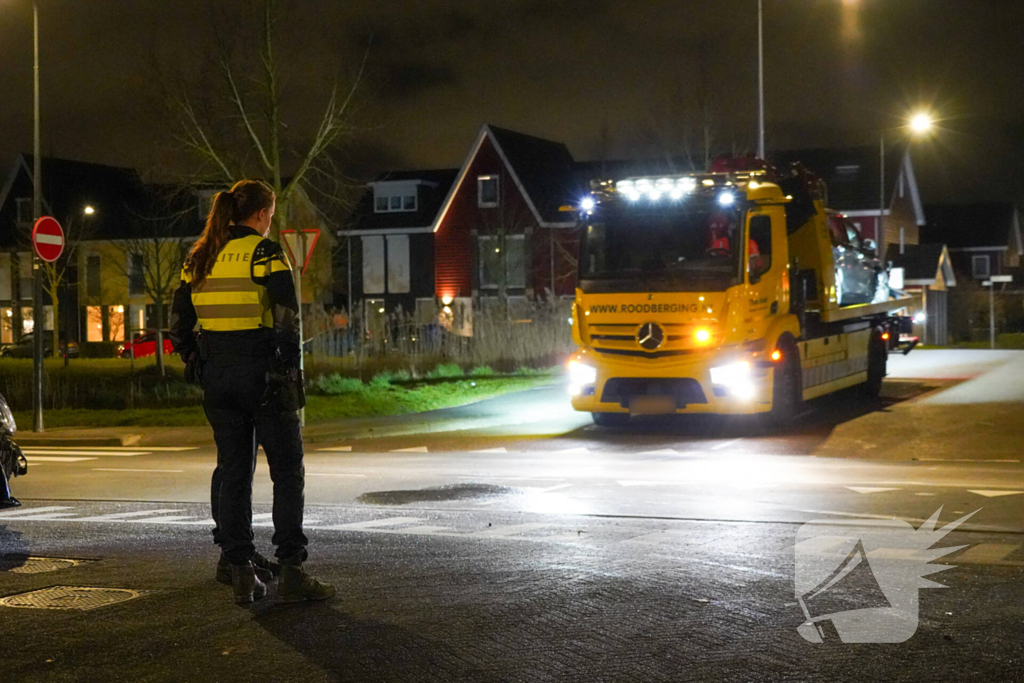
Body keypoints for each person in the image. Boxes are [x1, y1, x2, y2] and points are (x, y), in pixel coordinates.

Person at [170, 179, 335, 605]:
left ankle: (240, 568)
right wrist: (285, 368)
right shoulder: (266, 253)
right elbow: (286, 317)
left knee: (233, 473)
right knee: (286, 471)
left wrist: (195, 358)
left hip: (218, 376)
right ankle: (293, 569)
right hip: (262, 375)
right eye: (271, 214)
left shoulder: (200, 257)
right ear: (262, 214)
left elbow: (178, 326)